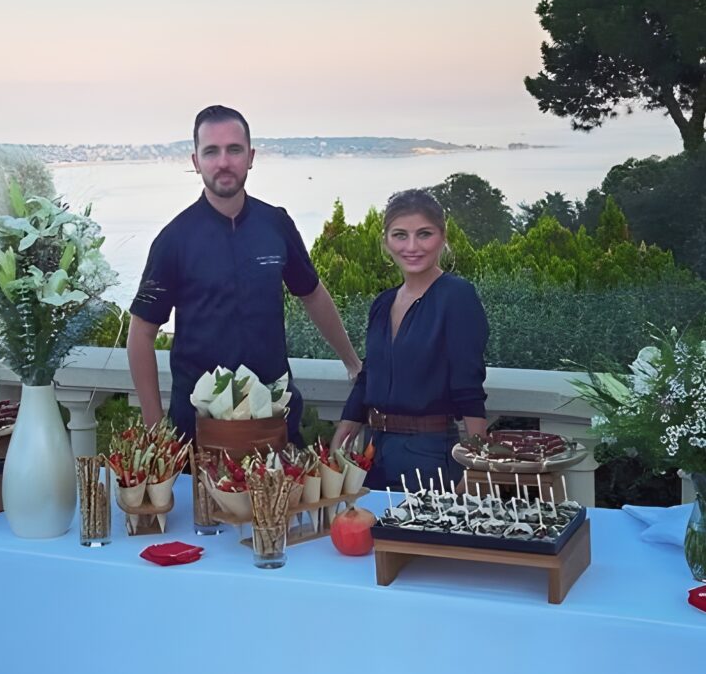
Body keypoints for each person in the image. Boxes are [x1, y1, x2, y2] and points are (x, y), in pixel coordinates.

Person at [127, 105, 362, 443]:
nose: (223, 162)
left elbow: (312, 293)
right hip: (198, 430)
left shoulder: (276, 224)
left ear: (250, 156)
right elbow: (141, 333)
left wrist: (352, 361)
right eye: (211, 151)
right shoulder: (173, 240)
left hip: (274, 420)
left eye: (234, 150)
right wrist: (155, 429)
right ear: (196, 162)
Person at [330, 189, 489, 489]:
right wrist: (345, 428)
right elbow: (370, 374)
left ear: (442, 237)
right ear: (386, 241)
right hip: (373, 452)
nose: (412, 246)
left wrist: (476, 466)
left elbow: (469, 386)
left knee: (418, 537)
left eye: (424, 234)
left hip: (429, 455)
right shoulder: (382, 303)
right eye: (400, 235)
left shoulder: (456, 296)